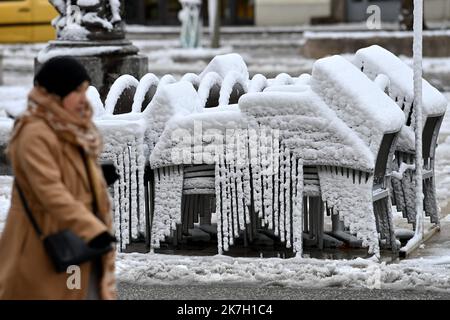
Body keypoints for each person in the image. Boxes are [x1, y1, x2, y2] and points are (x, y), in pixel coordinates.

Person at [0, 56, 116, 300]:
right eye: (77, 91)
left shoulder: (67, 125)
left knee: (79, 292)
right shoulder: (34, 132)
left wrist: (93, 178)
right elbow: (49, 190)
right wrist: (93, 230)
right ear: (56, 93)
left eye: (84, 90)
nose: (84, 99)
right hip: (45, 242)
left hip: (76, 238)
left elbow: (64, 171)